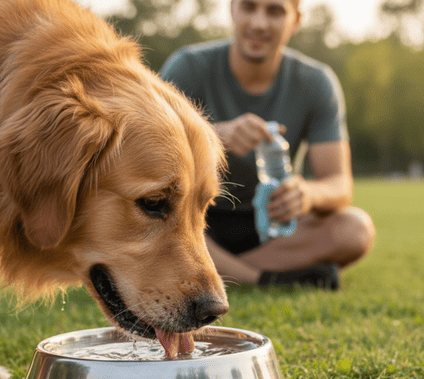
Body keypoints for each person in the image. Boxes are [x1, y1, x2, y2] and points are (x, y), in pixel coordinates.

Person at [160, 0, 375, 289]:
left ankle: (220, 274)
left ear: (296, 20)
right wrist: (214, 137)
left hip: (274, 225)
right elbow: (150, 156)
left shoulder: (317, 82)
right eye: (249, 7)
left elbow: (339, 182)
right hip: (198, 219)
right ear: (233, 9)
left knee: (355, 230)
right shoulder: (188, 66)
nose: (259, 23)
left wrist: (307, 193)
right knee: (160, 221)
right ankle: (262, 279)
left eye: (275, 11)